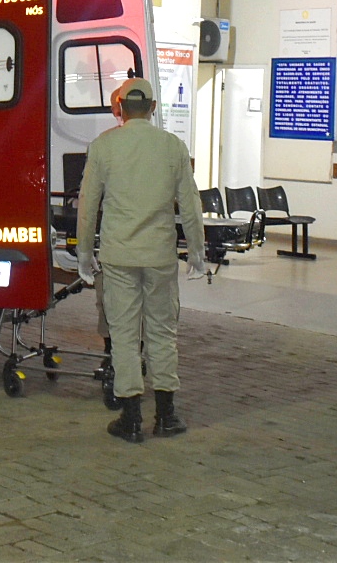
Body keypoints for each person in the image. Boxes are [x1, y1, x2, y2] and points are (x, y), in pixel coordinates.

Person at [77, 77, 207, 443]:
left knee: (124, 334)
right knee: (162, 333)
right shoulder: (172, 146)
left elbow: (88, 205)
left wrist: (84, 254)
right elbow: (191, 204)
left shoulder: (104, 146)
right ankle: (166, 415)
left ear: (119, 108)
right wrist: (197, 251)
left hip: (119, 256)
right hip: (160, 255)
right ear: (153, 108)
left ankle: (131, 418)